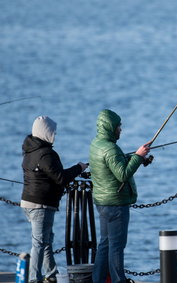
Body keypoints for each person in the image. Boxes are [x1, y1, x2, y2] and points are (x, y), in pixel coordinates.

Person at [21, 116, 88, 283]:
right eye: (53, 132)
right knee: (39, 243)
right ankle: (34, 279)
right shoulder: (46, 154)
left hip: (28, 202)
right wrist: (79, 168)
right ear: (45, 132)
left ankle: (51, 274)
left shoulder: (30, 151)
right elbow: (60, 177)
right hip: (41, 204)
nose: (55, 134)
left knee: (46, 241)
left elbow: (48, 176)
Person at [89, 109, 152, 283]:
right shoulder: (110, 148)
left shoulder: (97, 143)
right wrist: (138, 156)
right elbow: (123, 174)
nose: (121, 129)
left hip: (102, 201)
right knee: (117, 246)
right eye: (118, 126)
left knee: (105, 244)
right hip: (115, 203)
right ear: (110, 127)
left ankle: (98, 280)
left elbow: (114, 164)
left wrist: (135, 158)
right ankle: (118, 280)